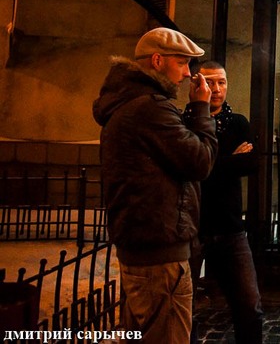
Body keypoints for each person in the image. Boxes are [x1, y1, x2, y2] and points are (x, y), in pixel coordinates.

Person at [93, 27, 217, 342]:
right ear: (158, 60)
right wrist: (201, 108)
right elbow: (200, 161)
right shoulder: (150, 108)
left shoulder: (127, 103)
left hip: (141, 248)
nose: (187, 74)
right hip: (160, 255)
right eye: (182, 63)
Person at [185, 61, 263, 343]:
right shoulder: (184, 124)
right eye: (209, 82)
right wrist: (230, 160)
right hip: (193, 227)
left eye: (221, 82)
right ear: (195, 85)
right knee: (184, 307)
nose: (216, 89)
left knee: (249, 305)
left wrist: (209, 165)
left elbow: (251, 163)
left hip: (230, 227)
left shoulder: (237, 122)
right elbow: (190, 168)